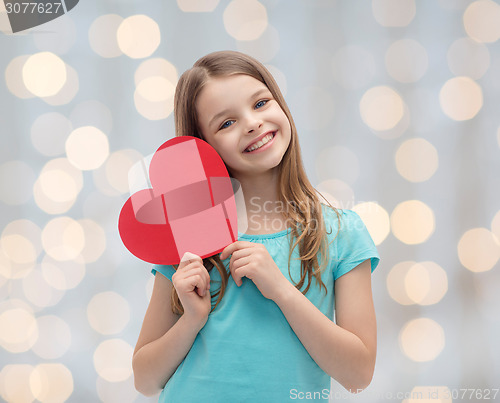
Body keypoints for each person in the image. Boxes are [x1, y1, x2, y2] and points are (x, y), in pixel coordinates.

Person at [132, 50, 380, 402]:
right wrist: (191, 319)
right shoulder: (186, 234)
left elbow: (358, 374)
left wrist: (281, 290)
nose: (251, 123)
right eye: (226, 123)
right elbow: (144, 380)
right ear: (203, 146)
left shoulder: (341, 233)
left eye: (260, 103)